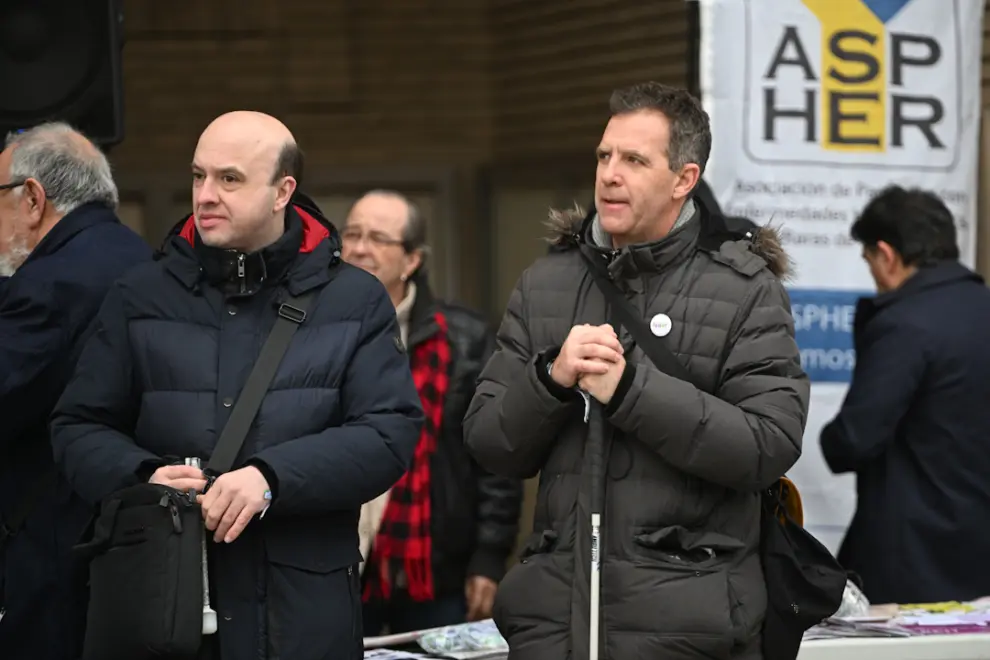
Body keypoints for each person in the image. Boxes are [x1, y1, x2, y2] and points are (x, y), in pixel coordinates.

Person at [50, 111, 424, 660]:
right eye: (198, 176)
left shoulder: (354, 299)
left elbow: (389, 434)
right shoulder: (138, 295)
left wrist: (272, 479)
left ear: (282, 192)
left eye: (229, 179)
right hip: (165, 613)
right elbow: (77, 425)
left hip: (301, 617)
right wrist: (143, 478)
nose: (205, 195)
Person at [464, 82, 809, 660]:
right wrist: (549, 379)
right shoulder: (547, 282)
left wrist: (631, 392)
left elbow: (767, 445)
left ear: (683, 179)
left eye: (633, 160)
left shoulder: (745, 289)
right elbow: (489, 442)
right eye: (604, 156)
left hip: (688, 627)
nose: (609, 174)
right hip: (555, 626)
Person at [0, 123, 152, 660]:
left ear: (33, 199)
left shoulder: (49, 283)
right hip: (131, 541)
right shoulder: (138, 257)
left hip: (54, 548)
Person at [341, 190, 523, 633]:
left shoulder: (463, 338)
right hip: (337, 563)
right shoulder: (307, 331)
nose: (360, 247)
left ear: (411, 261)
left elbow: (494, 458)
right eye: (352, 234)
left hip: (435, 571)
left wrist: (489, 558)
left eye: (378, 238)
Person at [820, 186, 990, 604]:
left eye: (869, 261)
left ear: (887, 254)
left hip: (915, 558)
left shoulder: (904, 325)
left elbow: (854, 440)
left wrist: (830, 438)